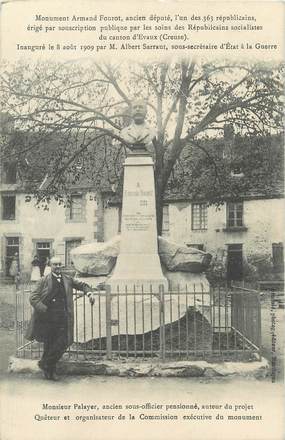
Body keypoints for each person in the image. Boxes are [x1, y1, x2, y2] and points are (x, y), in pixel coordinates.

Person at [25, 256, 94, 380]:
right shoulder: (43, 280)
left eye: (59, 264)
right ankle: (49, 372)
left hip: (63, 317)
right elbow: (33, 297)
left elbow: (82, 285)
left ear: (61, 266)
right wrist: (44, 309)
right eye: (55, 264)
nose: (57, 267)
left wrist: (89, 293)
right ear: (50, 266)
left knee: (64, 342)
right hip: (48, 318)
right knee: (49, 344)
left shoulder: (67, 279)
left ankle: (44, 363)